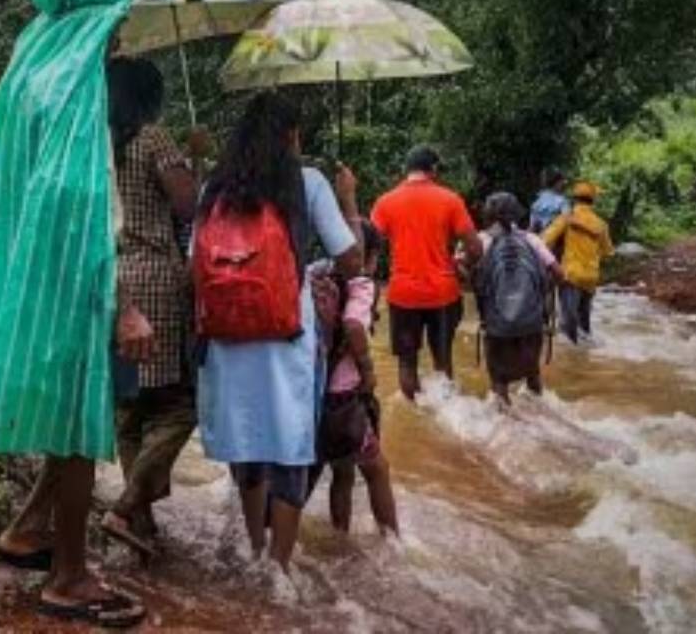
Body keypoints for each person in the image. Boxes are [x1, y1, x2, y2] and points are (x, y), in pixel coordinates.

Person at [0, 0, 145, 628]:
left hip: (31, 273)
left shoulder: (31, 74)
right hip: (69, 278)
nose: (120, 36)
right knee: (80, 424)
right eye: (117, 23)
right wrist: (122, 303)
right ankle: (70, 576)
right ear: (96, 21)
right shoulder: (75, 90)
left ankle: (29, 532)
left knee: (67, 417)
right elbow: (80, 199)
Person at [195, 92, 362, 573]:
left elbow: (196, 264)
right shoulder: (307, 181)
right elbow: (350, 259)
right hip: (287, 333)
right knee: (291, 444)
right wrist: (348, 197)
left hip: (225, 335)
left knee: (246, 438)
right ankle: (280, 568)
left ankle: (253, 549)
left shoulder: (215, 187)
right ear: (291, 135)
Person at [98, 57, 204, 556]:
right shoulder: (154, 139)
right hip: (156, 279)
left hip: (111, 281)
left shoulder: (96, 145)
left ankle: (140, 522)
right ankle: (125, 508)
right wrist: (193, 161)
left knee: (129, 407)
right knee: (181, 403)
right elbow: (188, 206)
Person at [370, 146, 482, 401]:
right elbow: (476, 247)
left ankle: (414, 414)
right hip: (443, 293)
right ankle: (446, 415)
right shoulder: (450, 199)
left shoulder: (385, 202)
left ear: (406, 170)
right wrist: (462, 266)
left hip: (403, 294)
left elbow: (370, 246)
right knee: (443, 361)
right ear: (433, 170)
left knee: (407, 364)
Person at [308, 221, 399, 536]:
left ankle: (340, 535)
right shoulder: (361, 284)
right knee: (377, 470)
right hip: (343, 396)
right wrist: (368, 369)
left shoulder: (316, 277)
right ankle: (393, 542)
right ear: (371, 255)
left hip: (312, 392)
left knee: (342, 470)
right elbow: (354, 325)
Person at [472, 193, 565, 406]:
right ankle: (543, 420)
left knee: (499, 382)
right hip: (531, 323)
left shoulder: (482, 240)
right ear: (516, 214)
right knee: (533, 376)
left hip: (497, 325)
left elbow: (463, 270)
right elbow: (559, 274)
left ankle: (505, 428)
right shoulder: (531, 239)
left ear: (488, 215)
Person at [543, 182, 614, 345]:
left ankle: (572, 361)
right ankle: (586, 356)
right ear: (593, 201)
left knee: (568, 328)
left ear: (574, 199)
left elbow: (545, 241)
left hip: (570, 275)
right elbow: (607, 251)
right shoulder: (601, 224)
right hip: (590, 277)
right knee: (584, 326)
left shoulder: (567, 218)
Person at [529, 169, 571, 234]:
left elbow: (532, 225)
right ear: (556, 183)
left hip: (539, 237)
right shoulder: (562, 201)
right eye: (561, 182)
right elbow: (567, 221)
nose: (563, 185)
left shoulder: (538, 199)